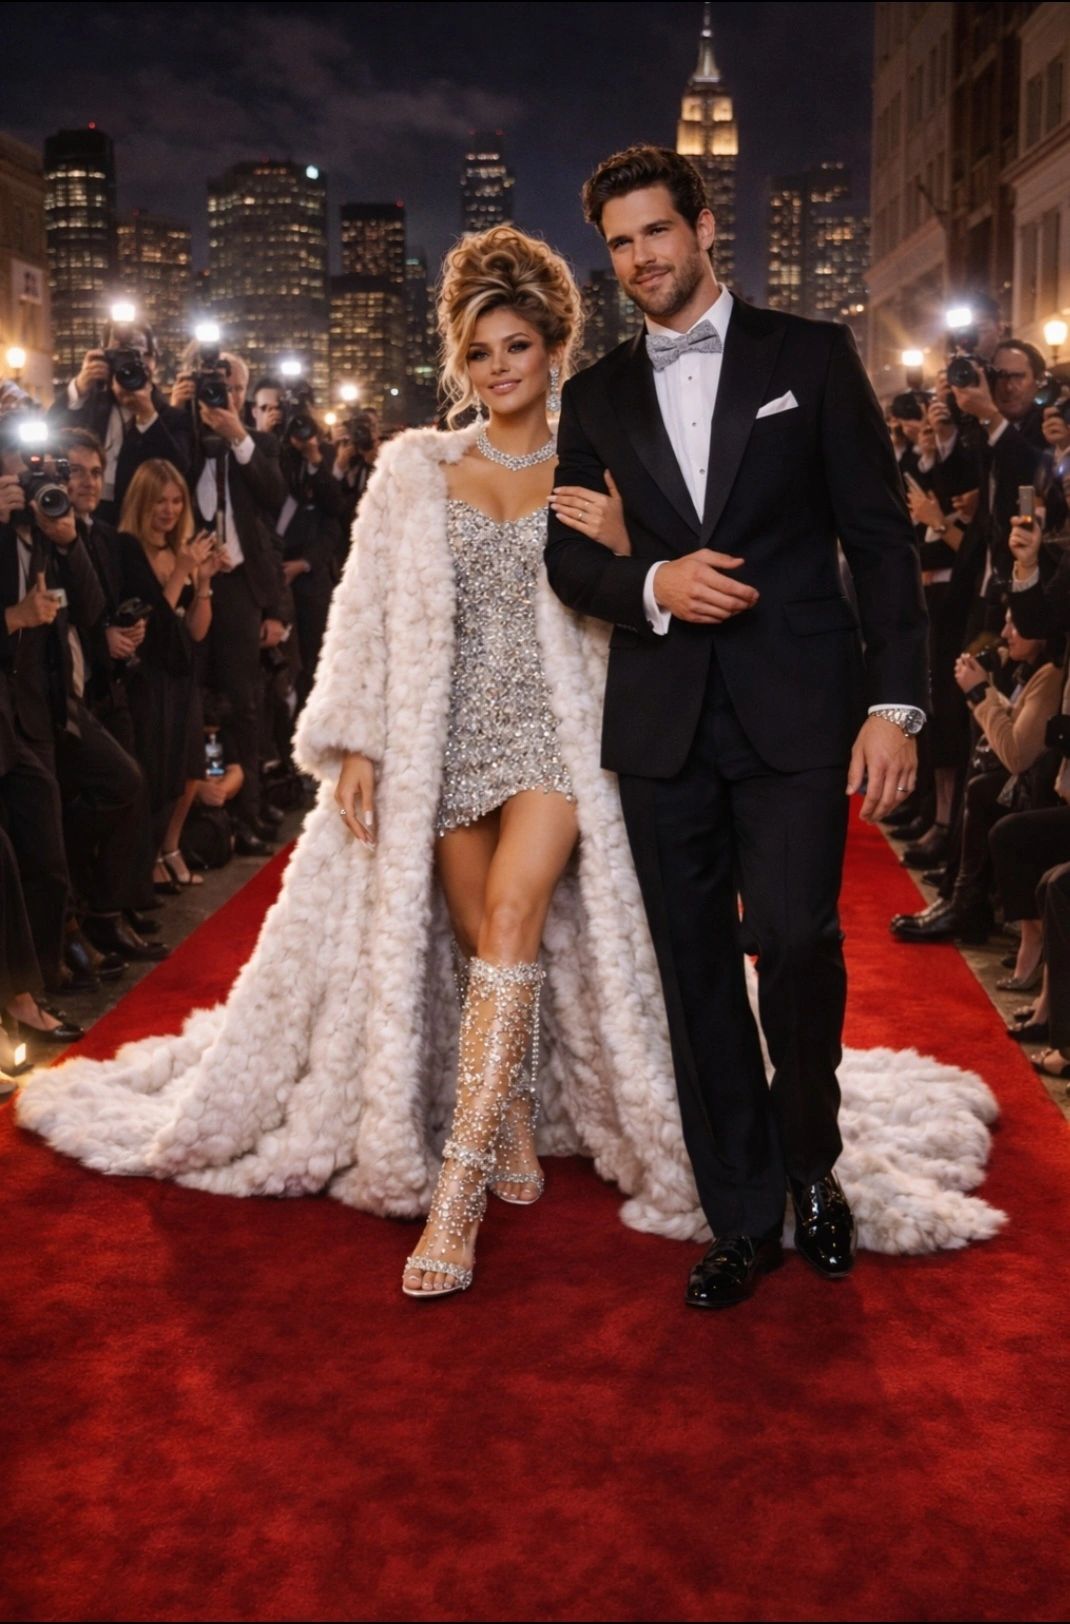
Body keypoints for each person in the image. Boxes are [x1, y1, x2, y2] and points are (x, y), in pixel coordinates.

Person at [15, 229, 1002, 1295]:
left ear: (552, 349)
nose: (498, 367)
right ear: (460, 361)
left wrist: (637, 546)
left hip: (556, 736)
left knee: (510, 917)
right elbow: (364, 614)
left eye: (517, 345)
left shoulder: (604, 456)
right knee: (471, 934)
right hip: (443, 741)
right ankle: (517, 1108)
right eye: (479, 350)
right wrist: (352, 740)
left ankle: (458, 1190)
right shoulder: (413, 468)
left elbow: (671, 580)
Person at [545, 144, 929, 1309]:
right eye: (617, 242)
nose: (638, 258)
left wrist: (893, 704)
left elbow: (878, 539)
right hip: (662, 724)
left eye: (655, 231)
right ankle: (741, 1211)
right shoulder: (596, 393)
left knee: (798, 944)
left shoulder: (806, 357)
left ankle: (813, 1167)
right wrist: (654, 583)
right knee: (696, 968)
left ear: (703, 225)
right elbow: (566, 556)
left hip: (799, 709)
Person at [171, 350, 288, 853]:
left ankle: (248, 811)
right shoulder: (183, 437)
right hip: (186, 583)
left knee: (245, 706)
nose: (228, 398)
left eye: (236, 389)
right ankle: (200, 808)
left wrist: (237, 433)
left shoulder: (256, 442)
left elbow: (273, 495)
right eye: (217, 388)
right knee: (193, 701)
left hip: (239, 588)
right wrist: (179, 412)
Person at [115, 460, 221, 897]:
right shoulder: (126, 548)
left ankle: (170, 848)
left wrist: (205, 582)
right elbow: (153, 627)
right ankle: (147, 862)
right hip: (148, 678)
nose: (169, 509)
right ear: (143, 501)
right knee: (157, 770)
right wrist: (178, 572)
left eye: (177, 500)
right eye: (160, 500)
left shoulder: (182, 550)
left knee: (189, 767)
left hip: (182, 675)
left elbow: (195, 630)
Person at [51, 318, 191, 524]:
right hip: (87, 515)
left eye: (141, 355)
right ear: (104, 357)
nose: (132, 364)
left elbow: (179, 471)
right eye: (120, 355)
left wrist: (147, 415)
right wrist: (79, 388)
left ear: (154, 362)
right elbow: (50, 436)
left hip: (143, 522)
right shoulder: (88, 404)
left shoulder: (171, 416)